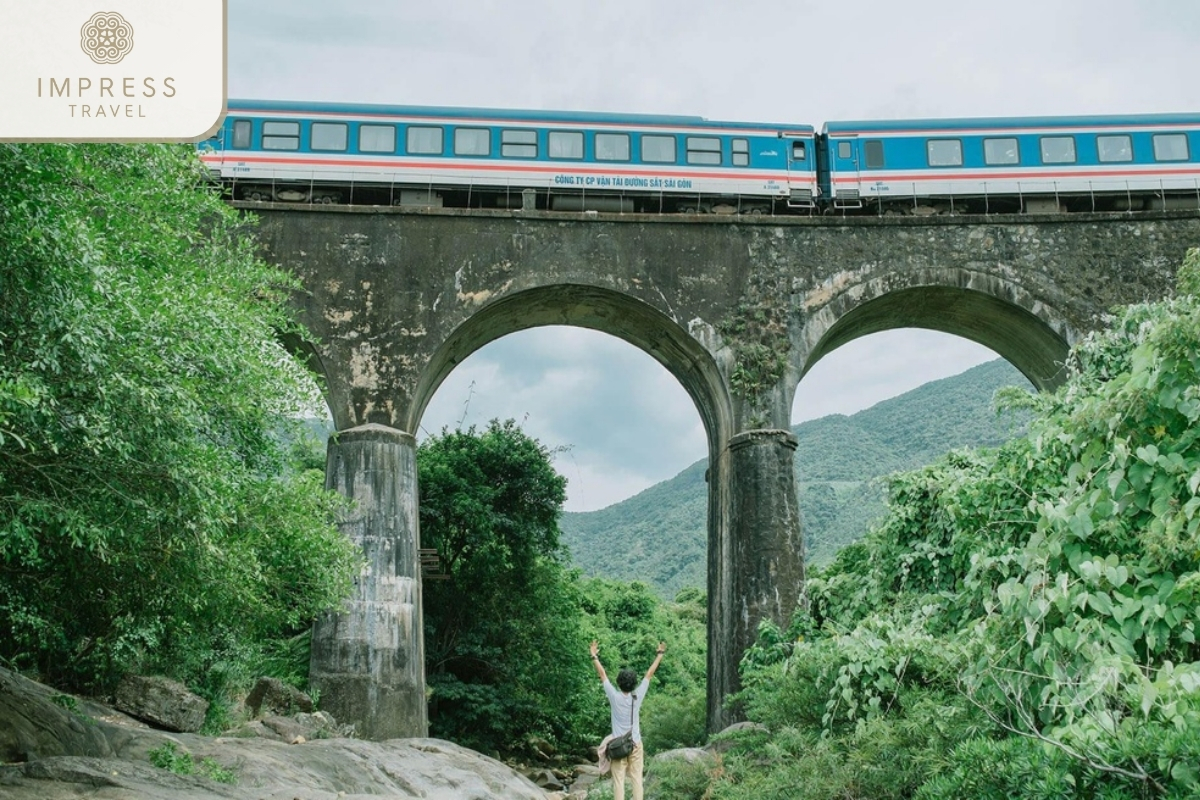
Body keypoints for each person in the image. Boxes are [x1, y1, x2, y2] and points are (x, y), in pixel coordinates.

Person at [589, 639, 666, 800]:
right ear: (634, 684)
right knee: (637, 779)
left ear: (618, 683)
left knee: (619, 781)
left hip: (618, 746)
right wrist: (659, 654)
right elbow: (649, 674)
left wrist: (594, 656)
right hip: (636, 743)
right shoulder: (637, 696)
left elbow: (602, 675)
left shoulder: (614, 696)